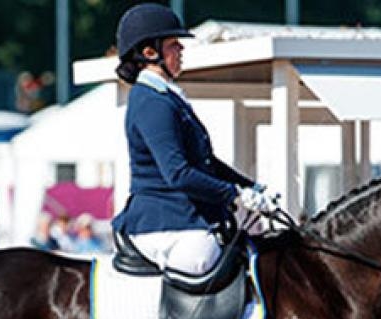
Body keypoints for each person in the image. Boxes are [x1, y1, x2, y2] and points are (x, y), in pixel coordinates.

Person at [111, 3, 274, 279]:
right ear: (150, 52)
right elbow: (178, 173)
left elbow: (206, 162)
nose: (181, 50)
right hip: (166, 223)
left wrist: (252, 187)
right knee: (210, 259)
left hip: (184, 217)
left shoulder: (167, 97)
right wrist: (234, 194)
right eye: (174, 44)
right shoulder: (152, 102)